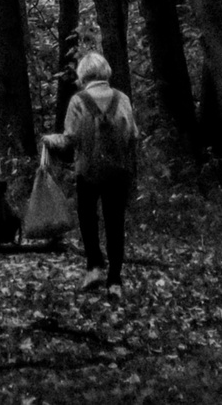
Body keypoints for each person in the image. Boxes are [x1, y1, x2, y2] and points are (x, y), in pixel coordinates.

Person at [61, 50, 140, 290]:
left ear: (83, 73)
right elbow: (134, 135)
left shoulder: (78, 100)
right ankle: (115, 279)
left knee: (87, 217)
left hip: (88, 170)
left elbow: (70, 138)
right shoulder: (122, 98)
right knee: (115, 222)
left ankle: (94, 267)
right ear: (105, 72)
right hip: (118, 170)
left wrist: (52, 141)